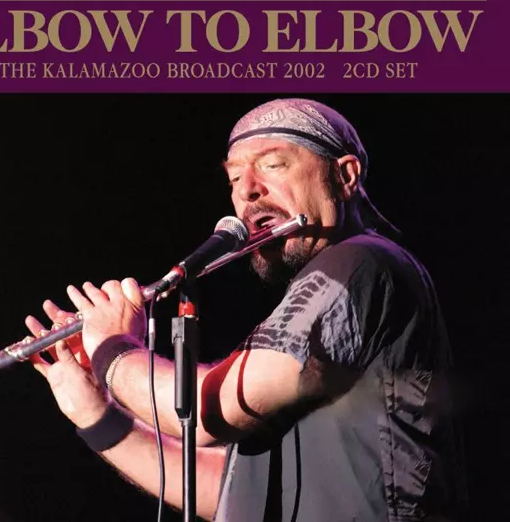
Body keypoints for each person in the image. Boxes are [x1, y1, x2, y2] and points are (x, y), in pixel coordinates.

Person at [26, 98, 466, 521]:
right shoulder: (321, 295)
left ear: (345, 176)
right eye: (234, 178)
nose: (248, 191)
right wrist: (95, 414)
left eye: (273, 165)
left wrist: (112, 348)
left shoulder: (362, 261)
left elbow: (206, 412)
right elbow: (234, 492)